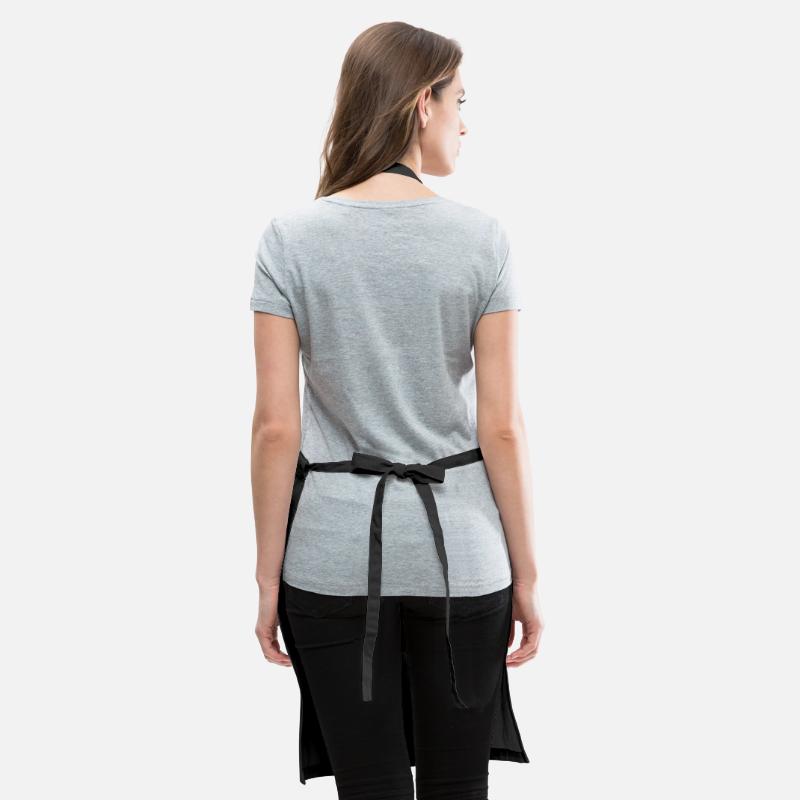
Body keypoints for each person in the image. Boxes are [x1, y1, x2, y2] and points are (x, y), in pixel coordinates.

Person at [250, 21, 544, 800]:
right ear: (422, 105)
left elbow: (276, 428)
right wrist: (528, 576)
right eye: (459, 102)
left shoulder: (289, 239)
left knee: (368, 788)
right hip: (462, 557)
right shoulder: (483, 240)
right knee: (458, 786)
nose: (464, 123)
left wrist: (267, 578)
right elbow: (502, 426)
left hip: (329, 559)